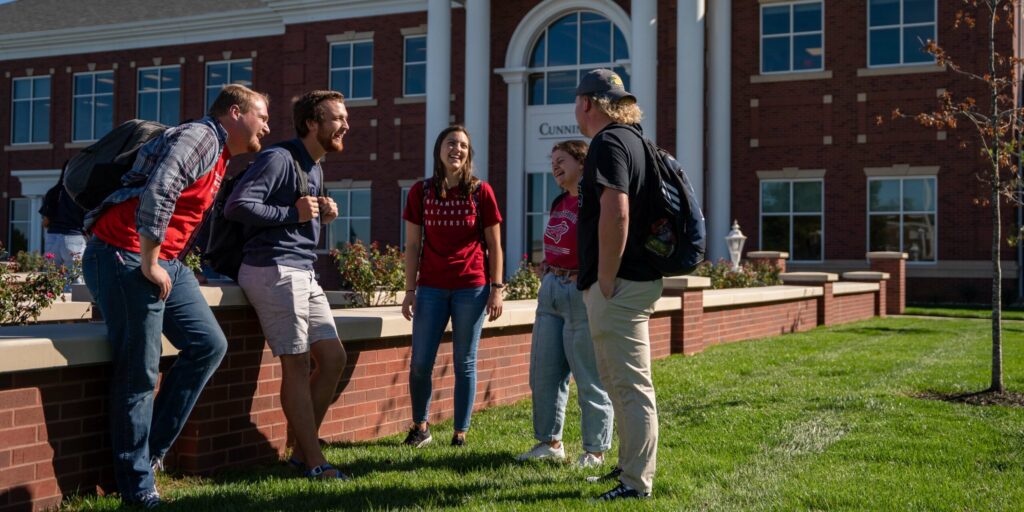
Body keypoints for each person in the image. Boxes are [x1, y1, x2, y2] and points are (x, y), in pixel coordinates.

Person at [81, 84, 270, 508]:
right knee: (139, 371)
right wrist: (150, 261)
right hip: (124, 252)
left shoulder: (220, 154)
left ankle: (148, 457)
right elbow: (162, 188)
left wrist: (168, 261)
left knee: (208, 345)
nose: (268, 127)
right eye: (262, 117)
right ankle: (136, 485)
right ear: (235, 113)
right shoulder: (201, 136)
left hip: (159, 257)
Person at [224, 90, 348, 480]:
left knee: (333, 358)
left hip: (301, 269)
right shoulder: (278, 157)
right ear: (312, 123)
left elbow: (298, 217)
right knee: (295, 366)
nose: (345, 125)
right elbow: (238, 205)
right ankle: (313, 463)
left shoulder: (315, 165)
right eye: (337, 118)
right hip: (273, 269)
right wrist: (291, 212)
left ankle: (300, 450)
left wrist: (320, 212)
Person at [574, 69, 664, 500]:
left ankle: (635, 483)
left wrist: (605, 277)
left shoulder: (609, 143)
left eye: (576, 101)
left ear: (587, 103)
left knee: (629, 386)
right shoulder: (636, 140)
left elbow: (617, 212)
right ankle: (629, 468)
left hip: (621, 283)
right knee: (620, 383)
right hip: (634, 280)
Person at [400, 125, 504, 448]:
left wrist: (497, 287)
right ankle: (421, 427)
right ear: (439, 150)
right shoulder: (421, 192)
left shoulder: (480, 192)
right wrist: (409, 290)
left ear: (468, 154)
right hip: (430, 287)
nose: (456, 149)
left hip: (471, 287)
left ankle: (460, 432)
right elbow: (413, 245)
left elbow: (495, 245)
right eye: (450, 143)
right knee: (420, 362)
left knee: (464, 362)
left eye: (462, 145)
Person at [516, 140, 613, 468]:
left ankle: (595, 451)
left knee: (588, 375)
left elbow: (609, 241)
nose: (555, 166)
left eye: (562, 160)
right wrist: (546, 268)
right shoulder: (560, 201)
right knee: (543, 374)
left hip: (579, 292)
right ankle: (549, 443)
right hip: (551, 292)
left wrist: (588, 276)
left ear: (582, 163)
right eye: (552, 161)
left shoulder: (596, 200)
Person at [39, 164, 86, 288]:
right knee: (76, 282)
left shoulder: (53, 192)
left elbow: (45, 222)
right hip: (74, 238)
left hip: (52, 238)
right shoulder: (82, 192)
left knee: (52, 280)